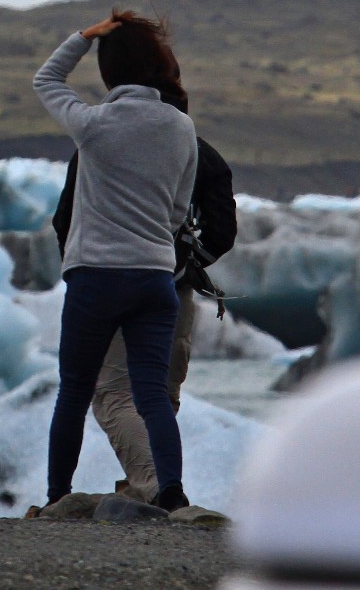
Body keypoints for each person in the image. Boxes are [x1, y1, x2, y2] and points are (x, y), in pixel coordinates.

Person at [31, 10, 198, 514]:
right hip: (154, 278)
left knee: (76, 392)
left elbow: (47, 79)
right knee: (151, 393)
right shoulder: (180, 126)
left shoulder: (93, 124)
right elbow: (177, 210)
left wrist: (84, 37)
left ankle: (58, 495)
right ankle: (171, 491)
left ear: (110, 72)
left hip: (96, 278)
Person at [58, 119, 237, 503]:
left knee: (113, 395)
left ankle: (157, 490)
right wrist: (186, 263)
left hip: (105, 281)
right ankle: (156, 488)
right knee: (160, 397)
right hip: (172, 290)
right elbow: (222, 231)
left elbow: (66, 220)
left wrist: (80, 273)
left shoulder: (98, 143)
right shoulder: (201, 152)